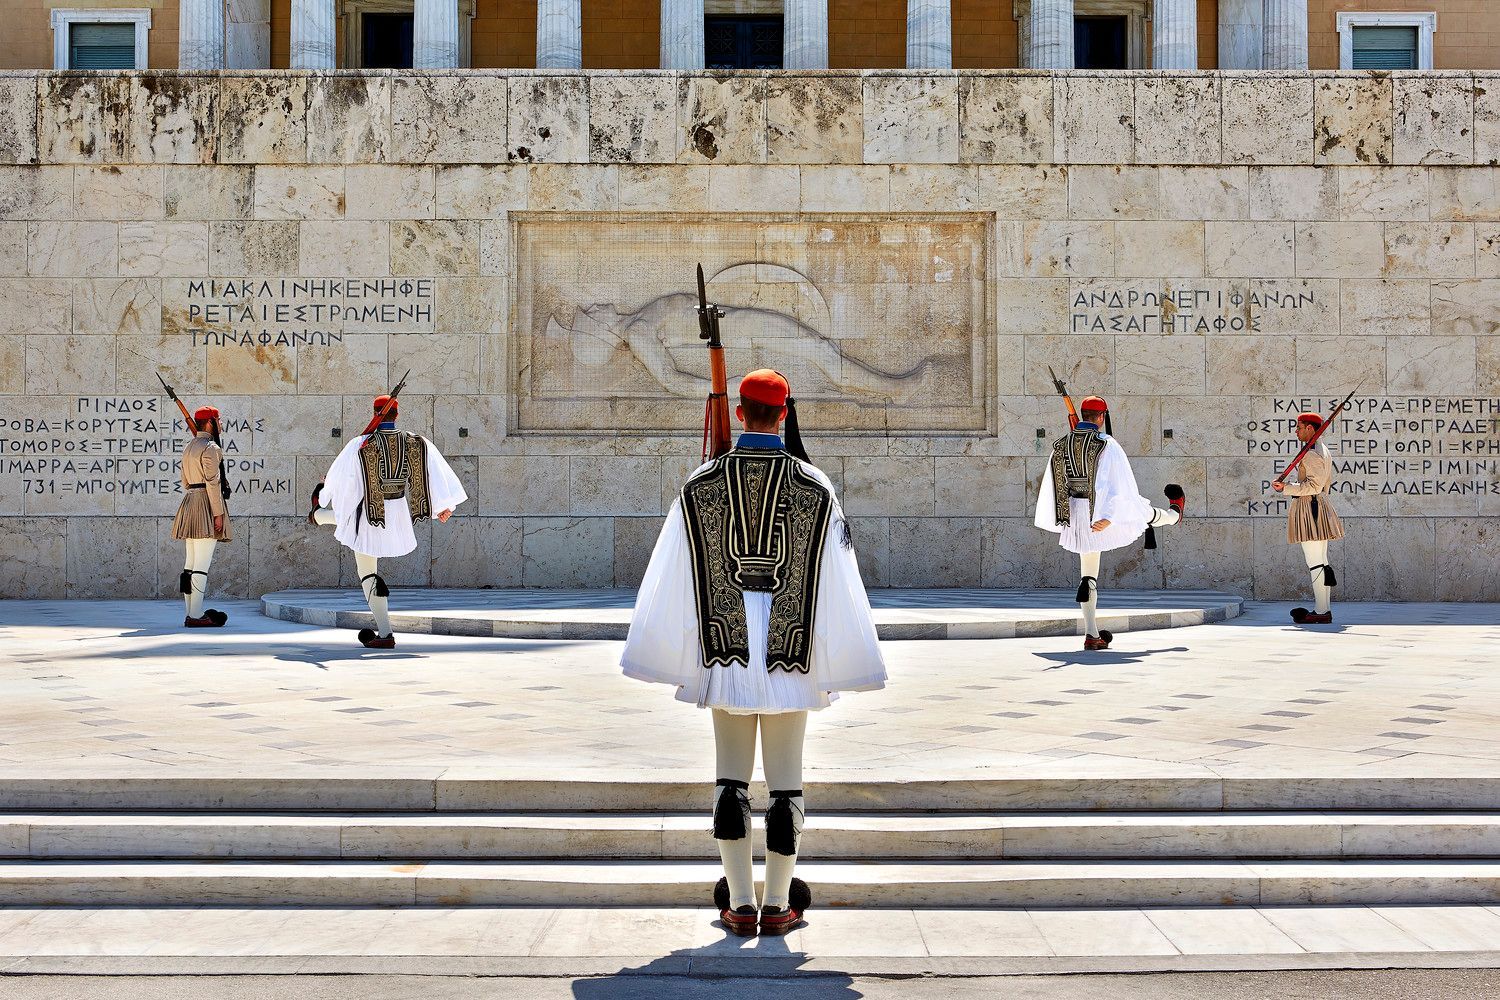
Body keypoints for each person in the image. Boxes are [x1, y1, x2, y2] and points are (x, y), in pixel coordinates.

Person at [621, 370, 886, 938]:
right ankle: (780, 902)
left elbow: (675, 575)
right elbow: (840, 579)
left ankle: (740, 903)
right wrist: (842, 656)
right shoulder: (816, 486)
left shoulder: (699, 485)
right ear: (785, 414)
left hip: (727, 657)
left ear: (739, 414)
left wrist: (680, 651)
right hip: (793, 657)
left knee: (730, 782)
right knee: (787, 784)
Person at [310, 394, 467, 648]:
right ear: (397, 415)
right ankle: (318, 516)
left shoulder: (360, 444)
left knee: (367, 573)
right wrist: (443, 507)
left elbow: (345, 481)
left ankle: (385, 633)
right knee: (356, 543)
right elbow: (435, 471)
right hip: (397, 514)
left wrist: (327, 491)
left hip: (370, 514)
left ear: (375, 413)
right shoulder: (415, 442)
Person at [1033, 395, 1185, 650]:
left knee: (1088, 575)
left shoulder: (1060, 444)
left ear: (1082, 415)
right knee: (1141, 512)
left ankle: (1092, 635)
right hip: (1101, 514)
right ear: (1102, 417)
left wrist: (1065, 517)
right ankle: (1174, 514)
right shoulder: (1106, 444)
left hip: (1076, 516)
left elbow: (1056, 483)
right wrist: (1110, 517)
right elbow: (1118, 486)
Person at [1272, 411, 1344, 625]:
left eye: (1299, 427)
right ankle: (1323, 610)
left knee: (1315, 563)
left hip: (1310, 507)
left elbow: (1314, 486)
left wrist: (1285, 487)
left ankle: (1321, 612)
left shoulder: (1313, 453)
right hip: (1315, 505)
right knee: (1320, 562)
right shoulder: (1319, 450)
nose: (1296, 430)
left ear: (1310, 428)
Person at [171, 405, 231, 628]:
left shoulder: (189, 446)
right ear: (210, 423)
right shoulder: (211, 447)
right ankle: (196, 616)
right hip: (206, 503)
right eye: (219, 420)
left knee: (190, 563)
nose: (221, 425)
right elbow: (212, 482)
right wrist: (218, 513)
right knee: (201, 565)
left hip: (190, 501)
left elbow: (185, 481)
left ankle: (191, 612)